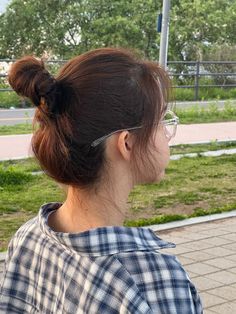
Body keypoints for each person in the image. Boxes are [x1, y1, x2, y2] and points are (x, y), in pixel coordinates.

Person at [0, 48, 202, 313]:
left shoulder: (27, 238)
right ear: (126, 143)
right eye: (161, 120)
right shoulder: (154, 284)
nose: (168, 132)